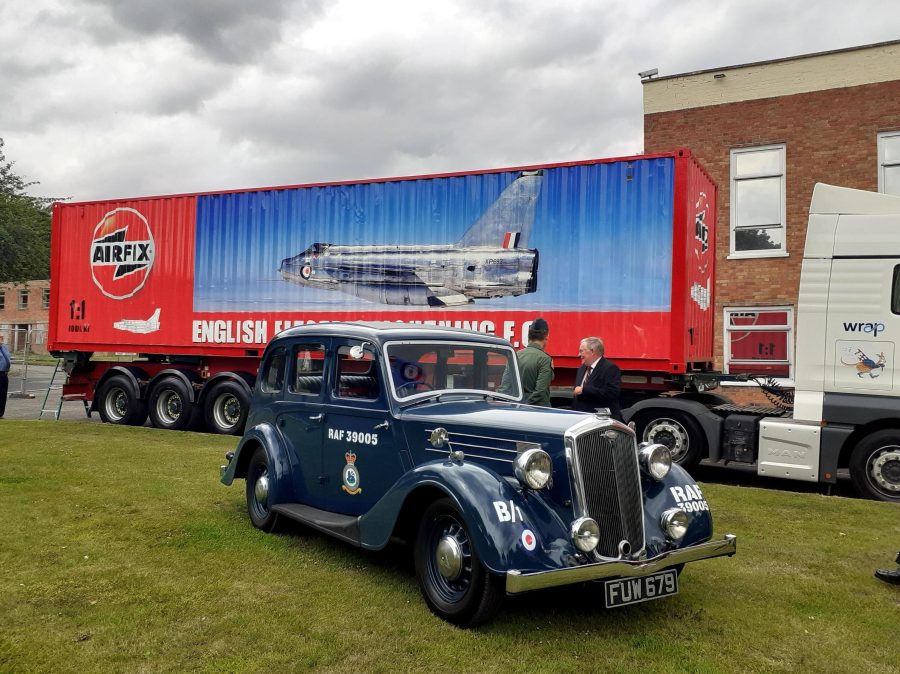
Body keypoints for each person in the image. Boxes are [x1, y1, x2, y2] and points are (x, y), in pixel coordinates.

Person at [572, 336, 623, 421]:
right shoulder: (582, 368)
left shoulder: (610, 368)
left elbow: (612, 393)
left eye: (581, 351)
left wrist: (584, 390)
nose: (579, 354)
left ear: (592, 351)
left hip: (600, 421)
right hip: (582, 420)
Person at [516, 318, 554, 406]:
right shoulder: (545, 359)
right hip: (538, 411)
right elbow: (540, 392)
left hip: (517, 408)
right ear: (546, 336)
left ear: (529, 336)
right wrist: (526, 405)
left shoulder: (517, 355)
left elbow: (506, 385)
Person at [0, 333, 10, 419]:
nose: (1, 339)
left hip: (4, 373)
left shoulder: (4, 347)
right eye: (0, 337)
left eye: (2, 337)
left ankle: (1, 413)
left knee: (3, 394)